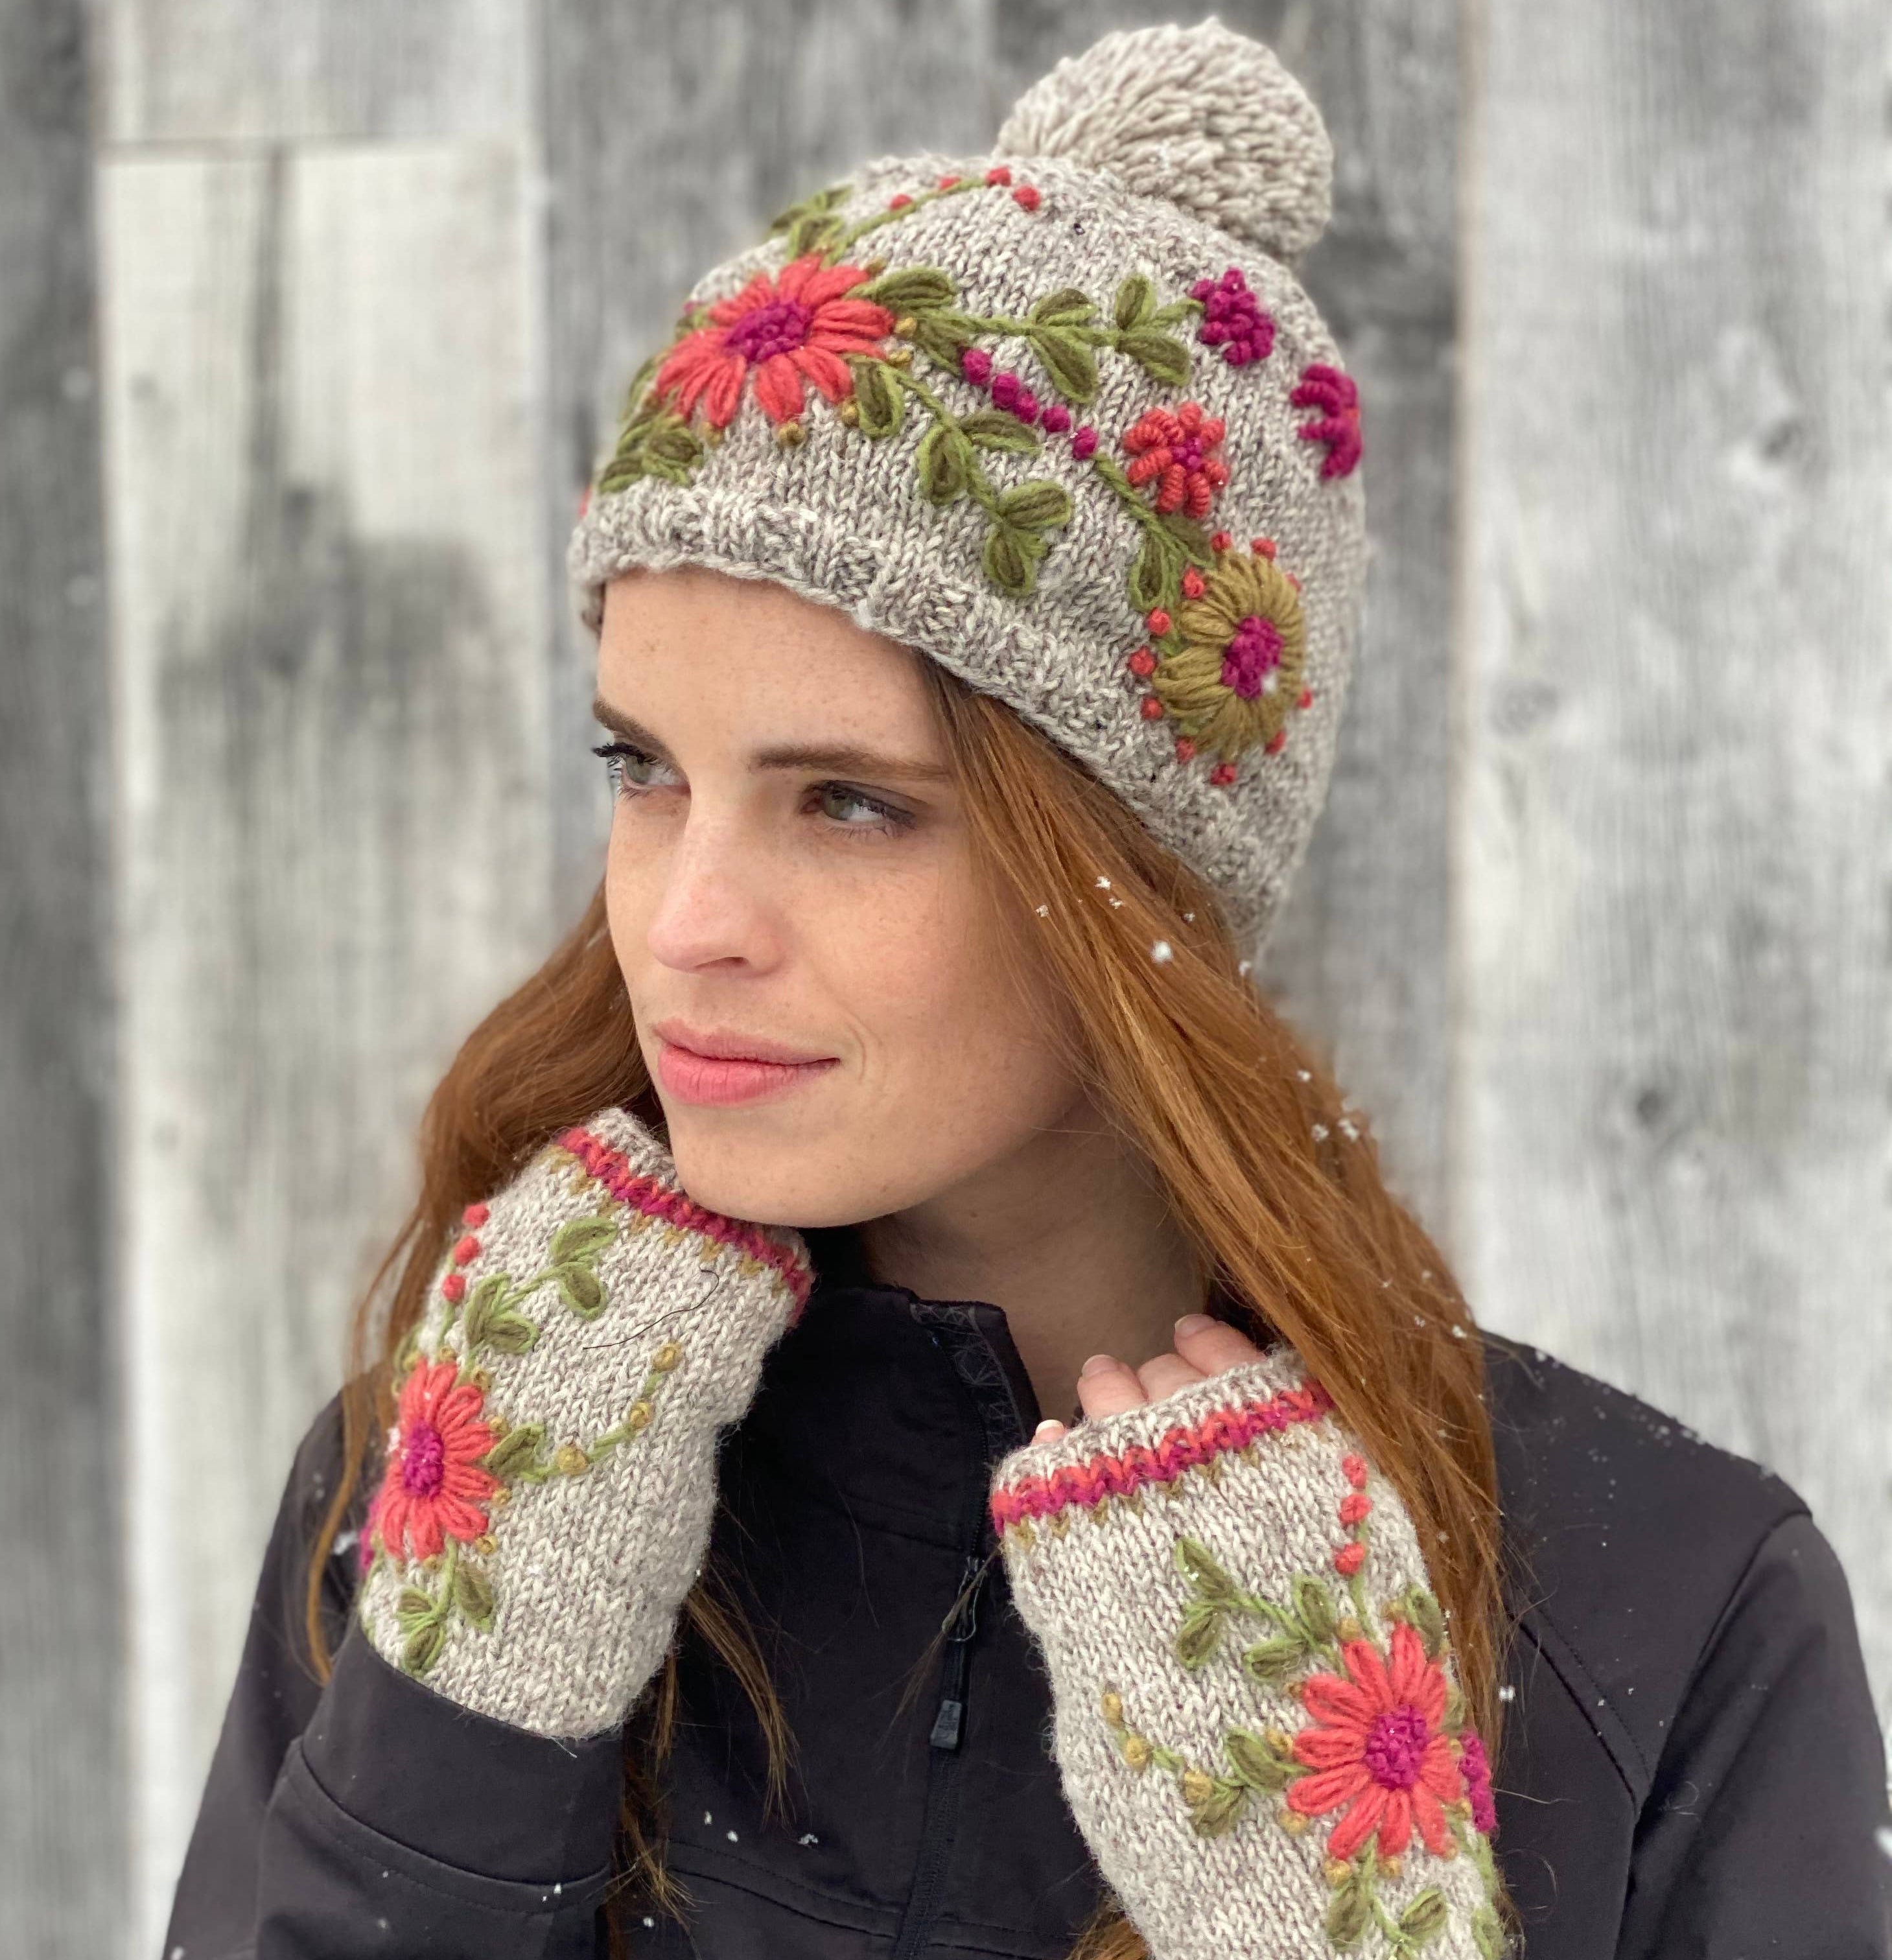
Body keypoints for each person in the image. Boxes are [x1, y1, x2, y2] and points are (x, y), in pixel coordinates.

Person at [163, 19, 1891, 1959]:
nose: (685, 920)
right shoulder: (470, 1459)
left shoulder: (1655, 1609)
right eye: (643, 767)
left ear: (1130, 864)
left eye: (848, 802)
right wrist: (468, 1733)